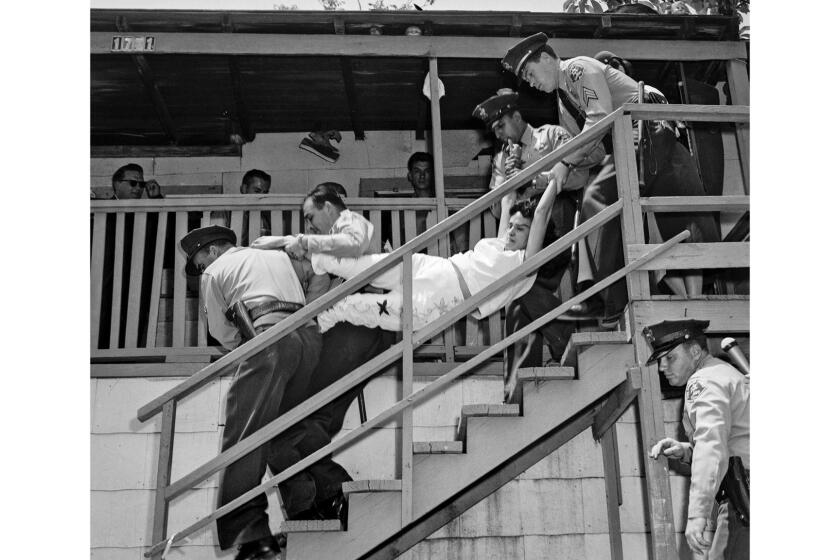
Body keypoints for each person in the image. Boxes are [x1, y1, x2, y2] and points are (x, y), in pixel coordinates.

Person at [501, 33, 720, 318]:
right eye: (526, 79)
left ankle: (608, 298)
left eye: (530, 73)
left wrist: (564, 163)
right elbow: (591, 153)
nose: (531, 82)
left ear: (546, 58)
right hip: (632, 148)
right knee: (601, 202)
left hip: (650, 132)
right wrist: (552, 178)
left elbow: (598, 118)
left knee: (664, 218)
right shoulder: (563, 102)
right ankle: (610, 296)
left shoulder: (576, 69)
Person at [180, 224, 334, 560]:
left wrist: (249, 346)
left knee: (243, 433)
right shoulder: (274, 255)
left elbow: (220, 331)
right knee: (282, 433)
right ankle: (316, 503)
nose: (202, 269)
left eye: (200, 262)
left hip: (268, 337)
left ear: (211, 252)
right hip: (308, 340)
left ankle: (251, 536)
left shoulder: (216, 271)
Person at [300, 174, 561, 338]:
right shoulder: (501, 243)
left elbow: (541, 214)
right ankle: (320, 260)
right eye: (512, 226)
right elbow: (507, 200)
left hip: (442, 298)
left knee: (352, 308)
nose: (512, 231)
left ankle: (316, 327)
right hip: (436, 267)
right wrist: (508, 167)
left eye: (521, 229)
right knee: (369, 266)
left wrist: (555, 180)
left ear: (535, 237)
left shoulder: (526, 264)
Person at [472, 89, 604, 386]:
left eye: (502, 126)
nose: (501, 135)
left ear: (517, 117)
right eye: (495, 131)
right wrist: (505, 182)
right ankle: (522, 380)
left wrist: (540, 177)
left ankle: (530, 369)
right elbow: (497, 211)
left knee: (519, 291)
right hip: (523, 236)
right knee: (518, 300)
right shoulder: (501, 158)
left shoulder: (552, 136)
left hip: (558, 222)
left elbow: (590, 162)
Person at [645, 319, 749, 559]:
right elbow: (732, 438)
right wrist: (687, 450)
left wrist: (697, 514)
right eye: (661, 360)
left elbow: (712, 446)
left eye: (670, 358)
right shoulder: (726, 374)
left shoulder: (703, 381)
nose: (662, 367)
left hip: (745, 501)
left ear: (694, 352)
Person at [404, 152, 468, 255]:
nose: (422, 176)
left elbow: (462, 244)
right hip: (417, 264)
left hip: (446, 261)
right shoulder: (405, 208)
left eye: (427, 171)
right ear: (410, 176)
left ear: (434, 175)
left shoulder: (449, 201)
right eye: (417, 171)